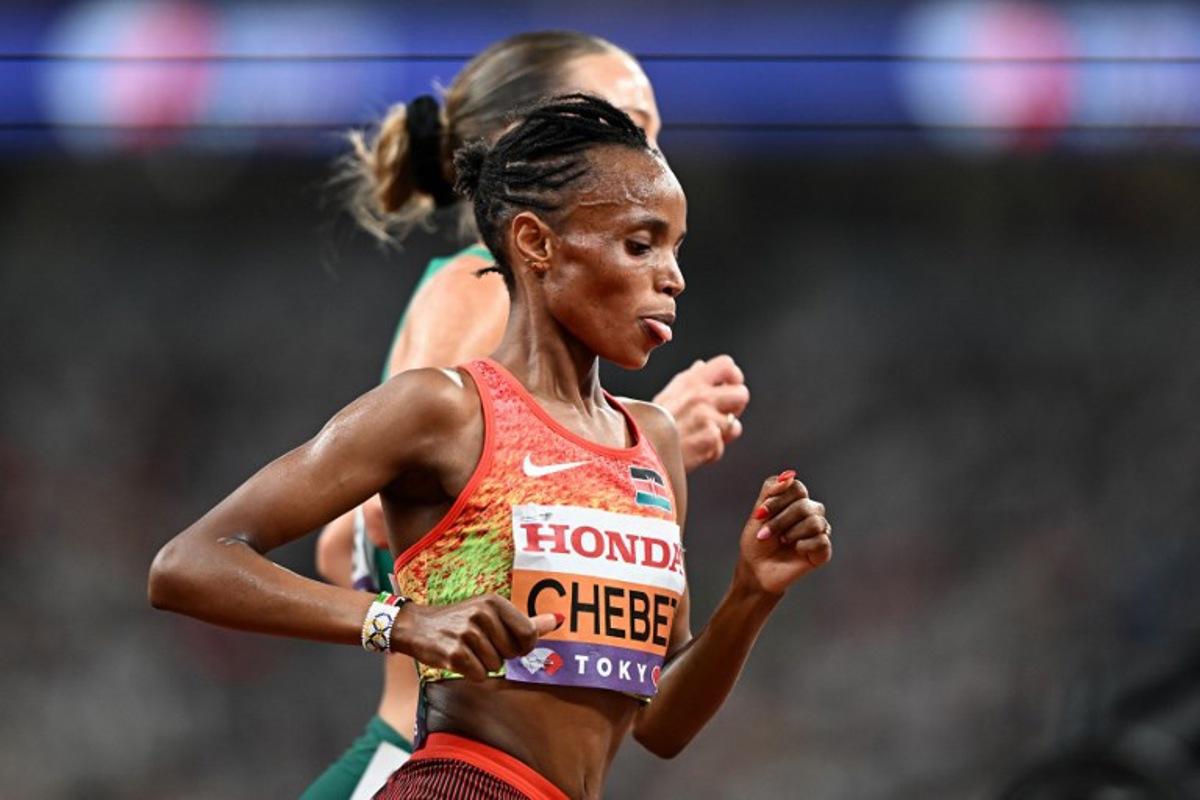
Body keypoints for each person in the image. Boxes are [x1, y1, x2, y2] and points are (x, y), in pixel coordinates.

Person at [148, 94, 832, 800]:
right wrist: (399, 621)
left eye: (676, 249)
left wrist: (751, 594)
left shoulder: (652, 441)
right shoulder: (442, 409)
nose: (673, 277)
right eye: (640, 244)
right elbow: (188, 564)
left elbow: (659, 723)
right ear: (536, 243)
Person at [307, 31, 750, 799]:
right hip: (431, 765)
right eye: (624, 124)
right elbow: (381, 525)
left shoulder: (502, 310)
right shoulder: (482, 290)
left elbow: (339, 545)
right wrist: (614, 457)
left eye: (654, 134)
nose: (647, 154)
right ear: (524, 139)